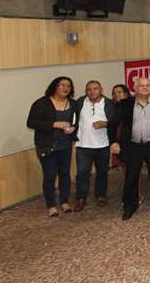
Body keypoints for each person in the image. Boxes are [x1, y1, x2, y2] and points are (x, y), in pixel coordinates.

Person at [108, 76, 150, 220]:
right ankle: (130, 207)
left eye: (147, 85)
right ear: (135, 88)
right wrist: (113, 142)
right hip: (132, 146)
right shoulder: (125, 104)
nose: (145, 88)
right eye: (141, 85)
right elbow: (112, 124)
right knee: (131, 177)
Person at [26, 77, 77, 217]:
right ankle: (51, 205)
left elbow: (76, 122)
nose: (65, 88)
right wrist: (53, 124)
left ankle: (64, 202)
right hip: (47, 145)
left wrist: (73, 128)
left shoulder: (73, 103)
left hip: (65, 145)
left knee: (65, 174)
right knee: (49, 175)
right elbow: (31, 123)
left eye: (68, 86)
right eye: (62, 85)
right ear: (54, 86)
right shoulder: (42, 103)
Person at [73, 80, 114, 211]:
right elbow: (73, 119)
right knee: (82, 173)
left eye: (95, 88)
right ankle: (81, 198)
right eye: (89, 89)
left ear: (101, 90)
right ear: (86, 91)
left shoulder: (109, 103)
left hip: (103, 145)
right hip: (83, 145)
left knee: (102, 172)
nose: (92, 91)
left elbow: (116, 122)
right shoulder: (80, 102)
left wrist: (106, 124)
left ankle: (101, 195)